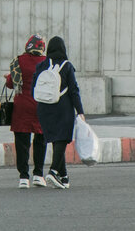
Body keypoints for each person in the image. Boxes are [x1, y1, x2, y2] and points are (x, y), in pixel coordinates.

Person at [33, 36, 85, 189]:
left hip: (44, 108)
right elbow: (74, 91)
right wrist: (80, 111)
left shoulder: (42, 65)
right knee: (62, 139)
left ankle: (64, 177)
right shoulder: (67, 66)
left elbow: (33, 88)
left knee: (56, 141)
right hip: (62, 108)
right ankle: (53, 171)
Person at [7, 34, 47, 189]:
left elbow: (11, 83)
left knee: (22, 142)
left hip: (22, 107)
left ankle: (23, 177)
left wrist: (7, 78)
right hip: (40, 106)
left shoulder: (19, 61)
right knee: (40, 141)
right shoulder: (46, 62)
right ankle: (38, 174)